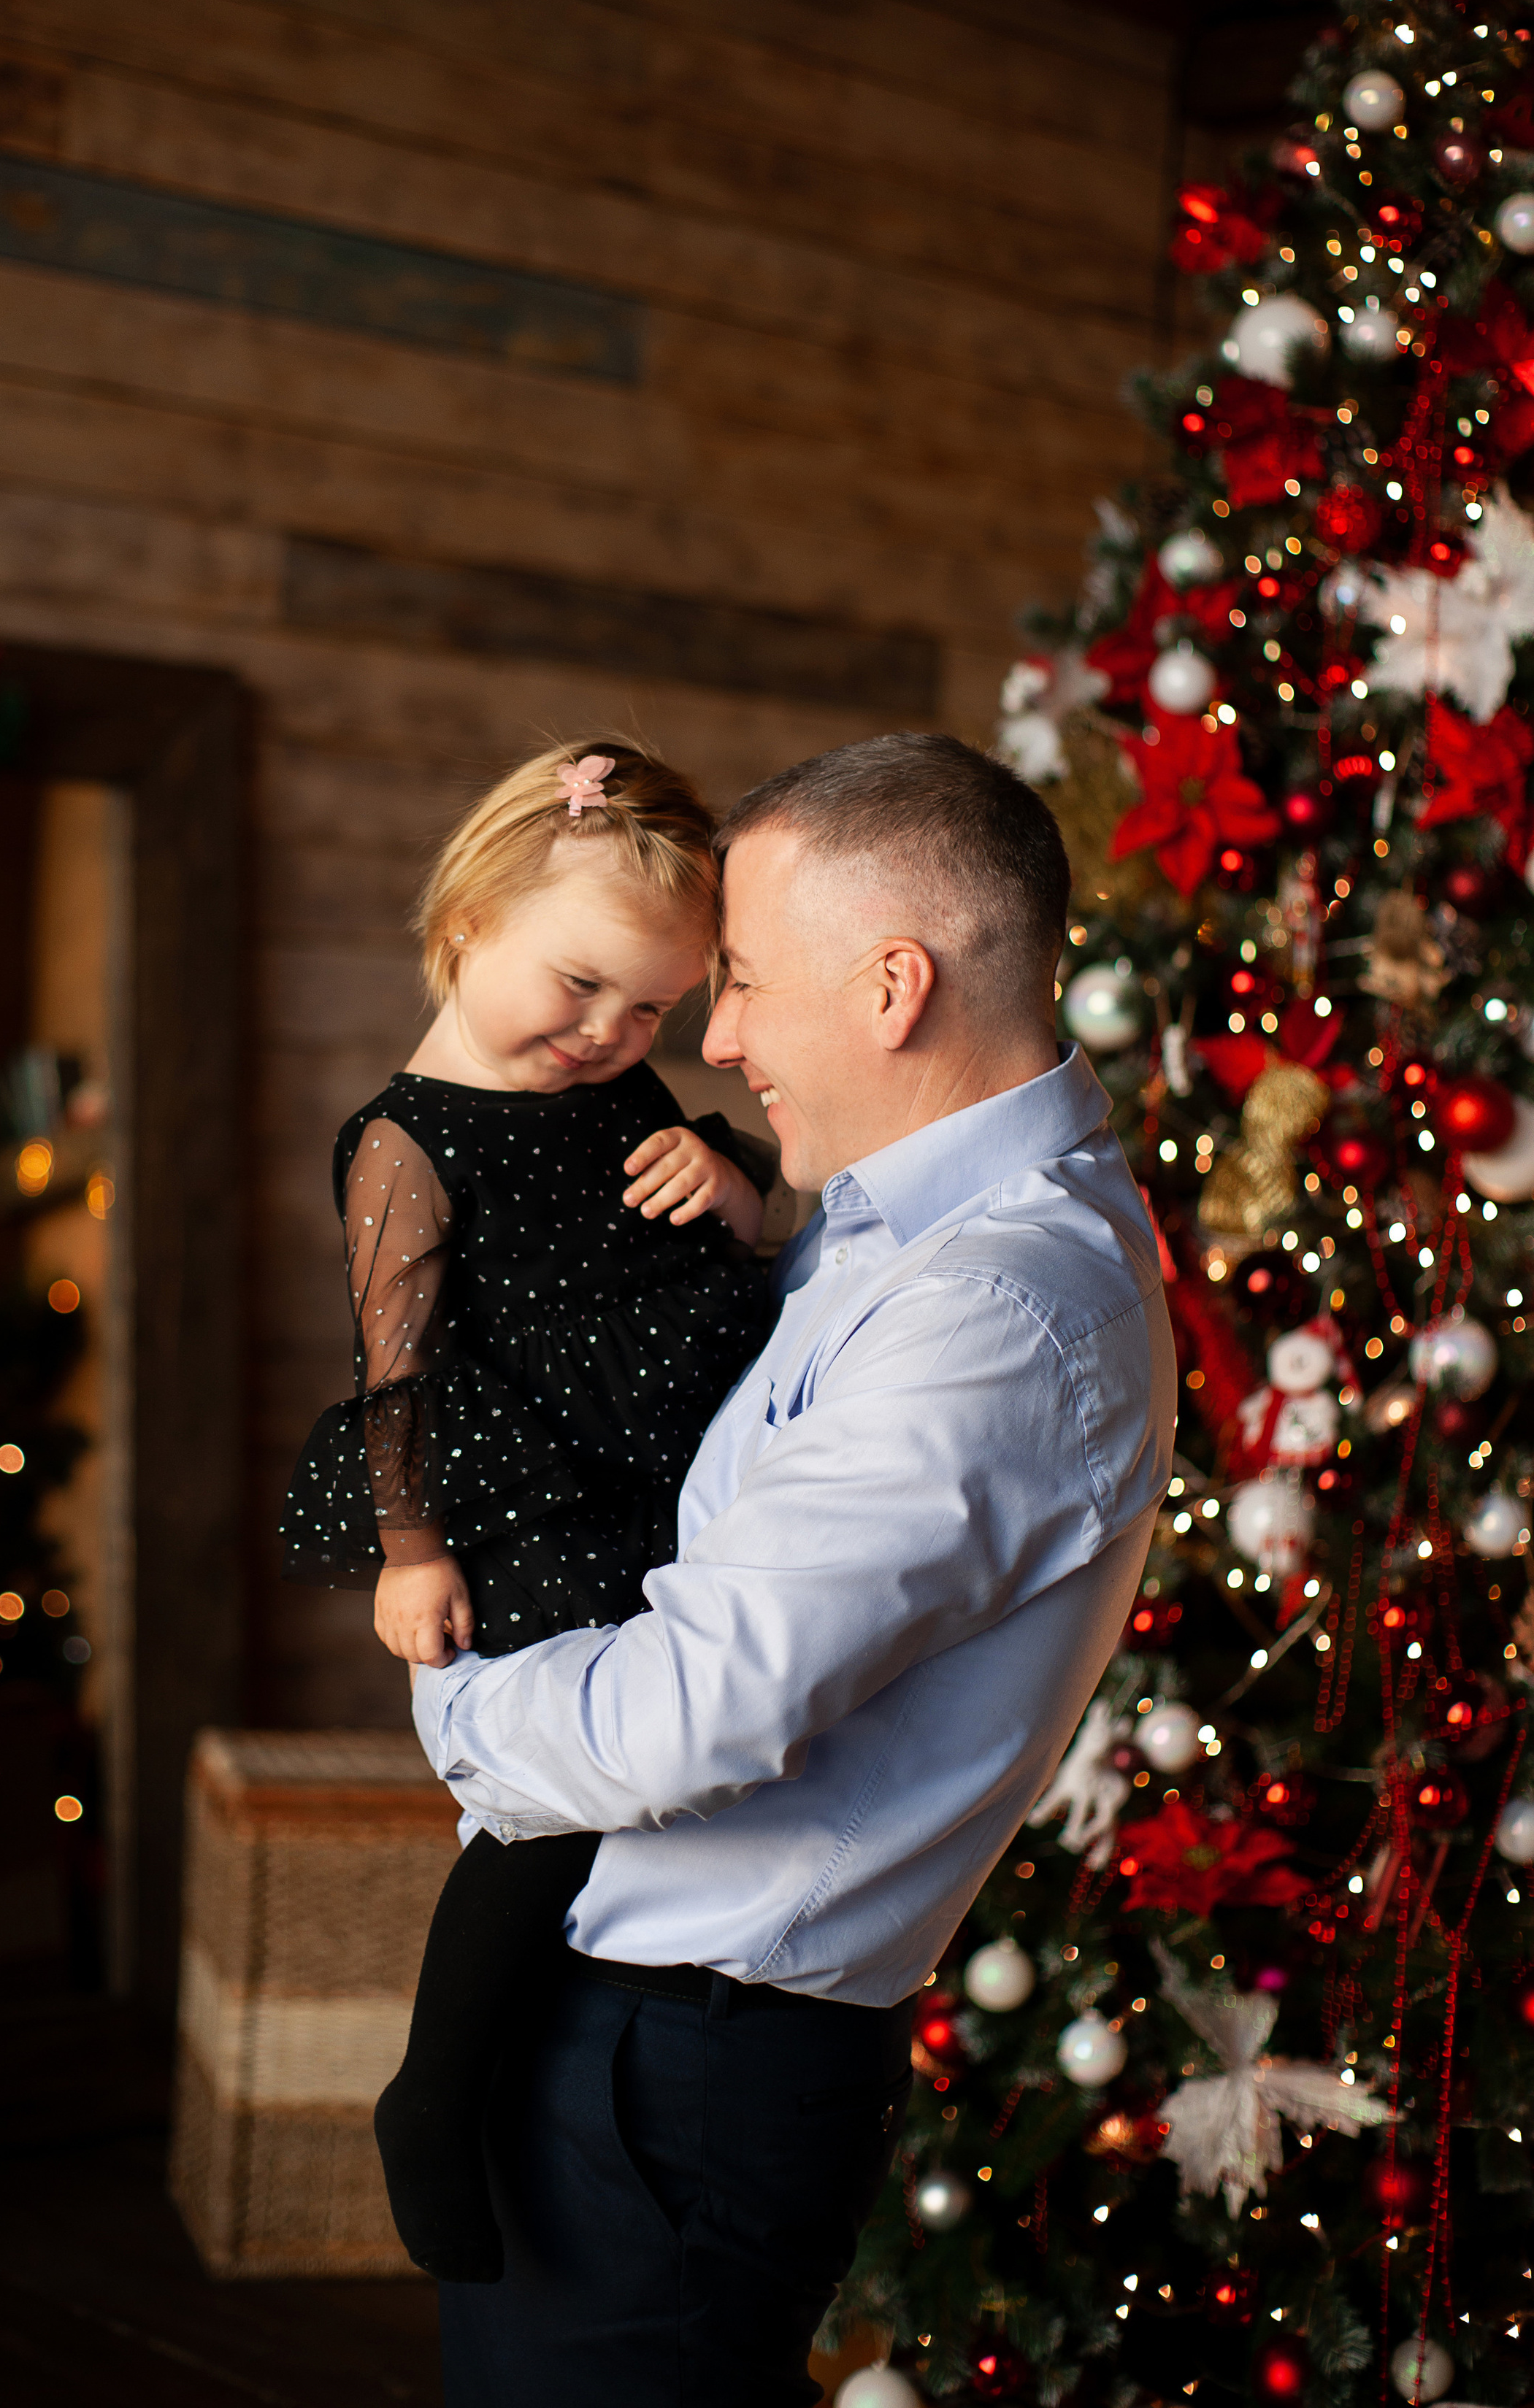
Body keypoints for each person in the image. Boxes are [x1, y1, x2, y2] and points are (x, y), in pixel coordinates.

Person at [412, 730, 1179, 2407]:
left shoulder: (997, 1309)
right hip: (630, 2019)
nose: (717, 1034)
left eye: (745, 980)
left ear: (892, 985)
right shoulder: (887, 1224)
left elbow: (687, 1715)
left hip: (680, 2067)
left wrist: (454, 1696)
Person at [281, 739, 777, 2280]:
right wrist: (411, 1553)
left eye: (650, 1009)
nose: (609, 1032)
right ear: (465, 926)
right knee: (558, 1793)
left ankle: (608, 2055)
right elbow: (398, 1372)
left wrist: (726, 1176)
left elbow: (732, 1233)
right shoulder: (403, 1146)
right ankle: (432, 2094)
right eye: (577, 987)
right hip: (532, 1489)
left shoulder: (620, 1081)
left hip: (667, 1457)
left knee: (685, 1751)